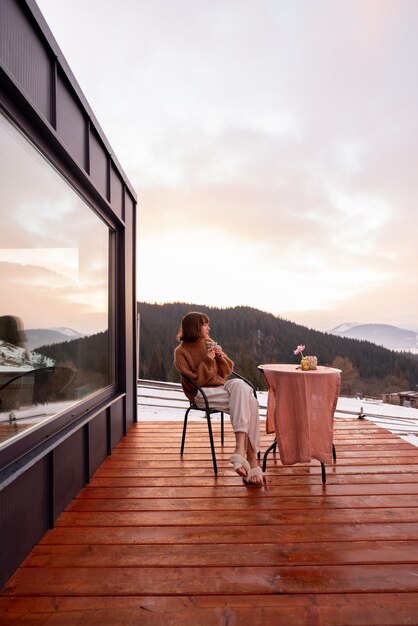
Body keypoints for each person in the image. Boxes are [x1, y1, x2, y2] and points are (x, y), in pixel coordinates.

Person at [174, 311, 262, 485]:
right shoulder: (181, 352)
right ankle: (252, 458)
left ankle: (239, 449)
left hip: (222, 388)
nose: (208, 327)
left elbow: (226, 371)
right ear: (195, 327)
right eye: (205, 324)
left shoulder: (208, 343)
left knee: (239, 385)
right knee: (251, 401)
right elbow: (192, 383)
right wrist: (207, 361)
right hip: (201, 394)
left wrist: (220, 357)